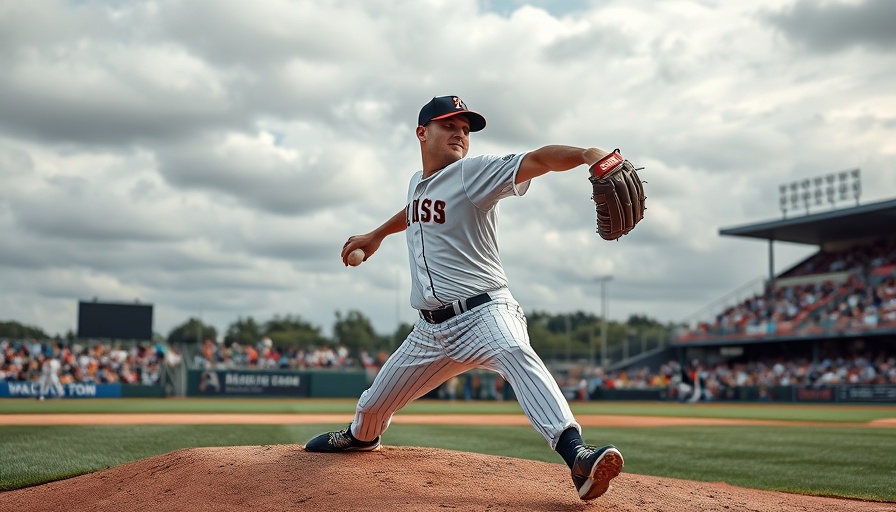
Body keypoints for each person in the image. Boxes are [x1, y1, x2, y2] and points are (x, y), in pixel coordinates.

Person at [304, 95, 624, 501]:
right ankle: (361, 439)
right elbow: (415, 208)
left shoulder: (473, 174)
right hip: (429, 332)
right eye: (449, 125)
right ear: (422, 132)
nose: (460, 134)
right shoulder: (417, 183)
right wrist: (377, 234)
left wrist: (586, 155)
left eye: (465, 129)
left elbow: (538, 159)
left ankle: (577, 456)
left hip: (485, 312)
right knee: (371, 408)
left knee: (515, 352)